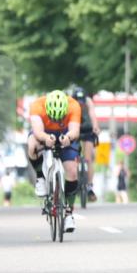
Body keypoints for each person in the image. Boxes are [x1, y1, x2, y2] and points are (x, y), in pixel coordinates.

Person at [27, 90, 81, 231]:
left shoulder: (73, 105)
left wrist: (68, 138)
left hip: (65, 134)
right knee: (32, 145)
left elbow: (75, 130)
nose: (56, 120)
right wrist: (46, 138)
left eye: (60, 117)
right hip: (44, 132)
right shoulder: (37, 106)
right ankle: (40, 178)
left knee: (72, 171)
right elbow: (37, 131)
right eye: (53, 117)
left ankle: (69, 213)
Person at [69, 86, 100, 202]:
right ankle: (76, 179)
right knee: (73, 156)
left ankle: (89, 186)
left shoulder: (88, 101)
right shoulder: (70, 102)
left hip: (87, 129)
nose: (81, 105)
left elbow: (92, 114)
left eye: (82, 103)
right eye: (78, 102)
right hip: (74, 129)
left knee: (88, 158)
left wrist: (95, 126)